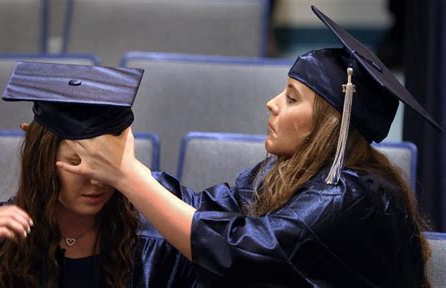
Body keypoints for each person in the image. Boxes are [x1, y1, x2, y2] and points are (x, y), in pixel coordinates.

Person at [58, 6, 442, 287]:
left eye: (292, 98)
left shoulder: (348, 196)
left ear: (331, 126)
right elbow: (202, 208)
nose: (272, 103)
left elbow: (238, 254)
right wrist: (110, 160)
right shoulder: (284, 173)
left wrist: (127, 175)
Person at [0, 62, 196, 287]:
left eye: (106, 166)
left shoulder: (158, 241)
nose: (97, 180)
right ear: (43, 161)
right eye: (76, 163)